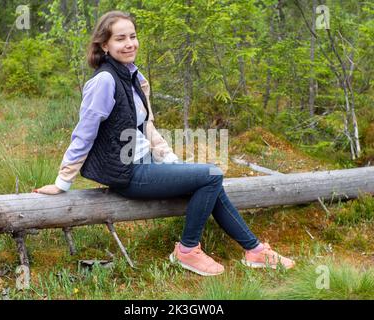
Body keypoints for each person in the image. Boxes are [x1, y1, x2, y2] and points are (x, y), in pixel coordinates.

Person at [34, 10, 295, 276]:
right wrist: (62, 181)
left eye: (133, 37)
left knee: (209, 182)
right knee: (212, 176)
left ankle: (254, 251)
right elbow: (84, 132)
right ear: (105, 45)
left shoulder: (133, 76)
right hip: (129, 172)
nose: (129, 43)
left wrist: (171, 162)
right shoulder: (104, 80)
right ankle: (187, 250)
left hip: (146, 164)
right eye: (120, 38)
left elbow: (146, 126)